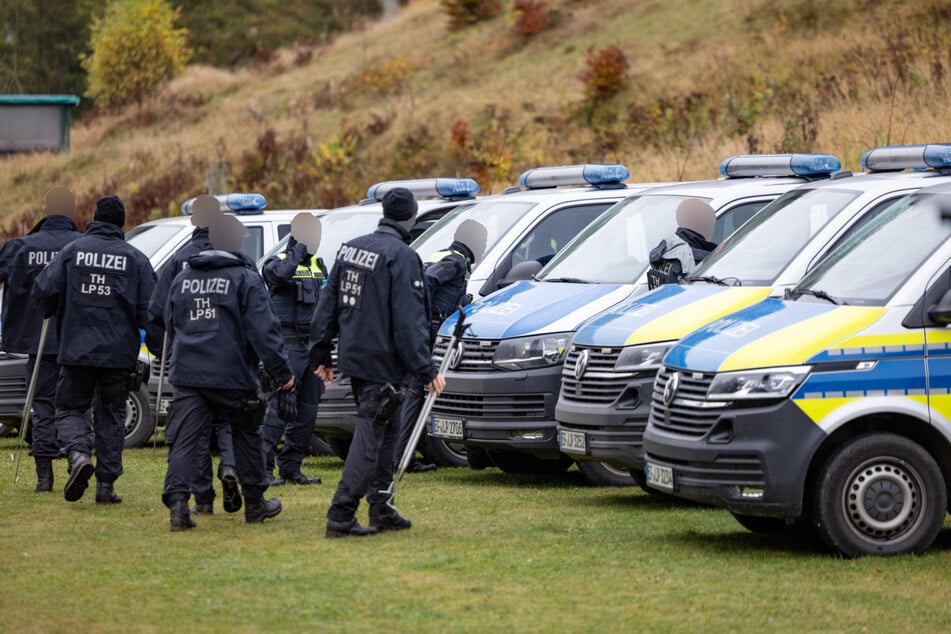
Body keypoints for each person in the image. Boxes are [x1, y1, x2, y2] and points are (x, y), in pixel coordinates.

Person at [310, 187, 445, 538]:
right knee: (371, 438)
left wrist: (321, 352)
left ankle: (381, 506)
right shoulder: (402, 256)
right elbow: (409, 321)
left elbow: (329, 303)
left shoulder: (353, 248)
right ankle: (341, 513)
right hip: (383, 364)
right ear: (411, 217)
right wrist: (426, 369)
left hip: (356, 359)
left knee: (388, 435)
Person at [161, 213, 294, 531]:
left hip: (188, 374)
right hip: (232, 373)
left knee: (184, 441)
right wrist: (283, 372)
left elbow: (168, 322)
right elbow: (265, 331)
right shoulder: (244, 278)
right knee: (247, 436)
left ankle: (179, 508)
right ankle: (255, 505)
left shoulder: (183, 278)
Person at [32, 195, 157, 504]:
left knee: (70, 409)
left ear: (94, 219)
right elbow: (150, 312)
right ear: (121, 223)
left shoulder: (72, 252)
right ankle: (106, 486)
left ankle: (77, 455)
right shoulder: (135, 259)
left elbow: (44, 290)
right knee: (112, 415)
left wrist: (51, 306)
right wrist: (157, 345)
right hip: (118, 356)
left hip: (76, 351)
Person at [148, 195, 239, 516]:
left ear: (193, 221)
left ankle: (202, 499)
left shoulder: (178, 261)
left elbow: (156, 311)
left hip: (188, 361)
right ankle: (230, 466)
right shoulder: (236, 258)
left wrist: (166, 347)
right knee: (228, 422)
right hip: (229, 361)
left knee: (193, 431)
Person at [0, 187, 82, 492]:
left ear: (45, 209)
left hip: (38, 342)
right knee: (79, 407)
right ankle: (78, 457)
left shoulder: (20, 246)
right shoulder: (83, 247)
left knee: (44, 408)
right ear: (72, 210)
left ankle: (44, 478)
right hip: (79, 342)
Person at [395, 218, 486, 474]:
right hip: (431, 334)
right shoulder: (455, 260)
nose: (484, 246)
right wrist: (430, 317)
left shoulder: (445, 254)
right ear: (473, 242)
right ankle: (402, 457)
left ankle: (403, 455)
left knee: (416, 393)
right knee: (418, 392)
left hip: (422, 330)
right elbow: (425, 283)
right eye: (483, 241)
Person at [260, 213, 325, 486]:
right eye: (312, 235)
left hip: (312, 349)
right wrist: (299, 247)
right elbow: (281, 275)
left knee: (307, 412)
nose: (317, 242)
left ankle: (291, 467)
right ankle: (263, 470)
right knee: (279, 410)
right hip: (288, 346)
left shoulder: (318, 265)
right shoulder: (274, 263)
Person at [647, 198, 719, 289]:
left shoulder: (667, 249)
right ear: (703, 224)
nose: (713, 228)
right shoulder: (697, 261)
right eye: (711, 223)